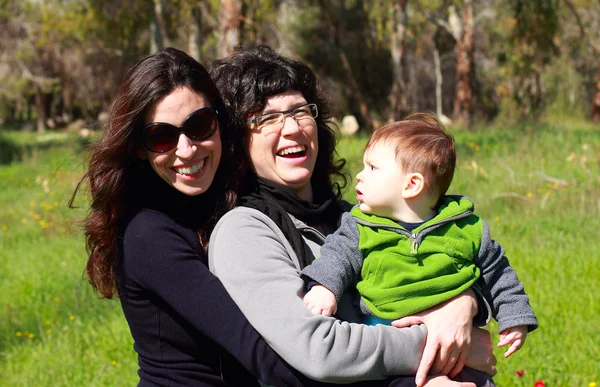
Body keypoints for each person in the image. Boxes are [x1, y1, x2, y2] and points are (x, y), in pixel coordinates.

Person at [208, 45, 497, 387]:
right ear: (237, 142)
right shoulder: (243, 231)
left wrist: (465, 304)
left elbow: (445, 265)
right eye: (267, 118)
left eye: (300, 111)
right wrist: (441, 345)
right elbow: (319, 349)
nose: (292, 129)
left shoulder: (356, 218)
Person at [73, 47, 321, 386]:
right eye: (162, 136)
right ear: (139, 148)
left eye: (200, 125)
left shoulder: (230, 204)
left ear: (221, 123)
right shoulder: (148, 234)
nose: (187, 149)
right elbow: (259, 353)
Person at [301, 114, 538, 384]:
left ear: (411, 185)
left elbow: (499, 273)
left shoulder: (464, 228)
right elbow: (338, 257)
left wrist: (514, 315)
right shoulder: (360, 226)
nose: (359, 175)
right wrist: (324, 288)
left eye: (372, 168)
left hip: (458, 350)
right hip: (390, 345)